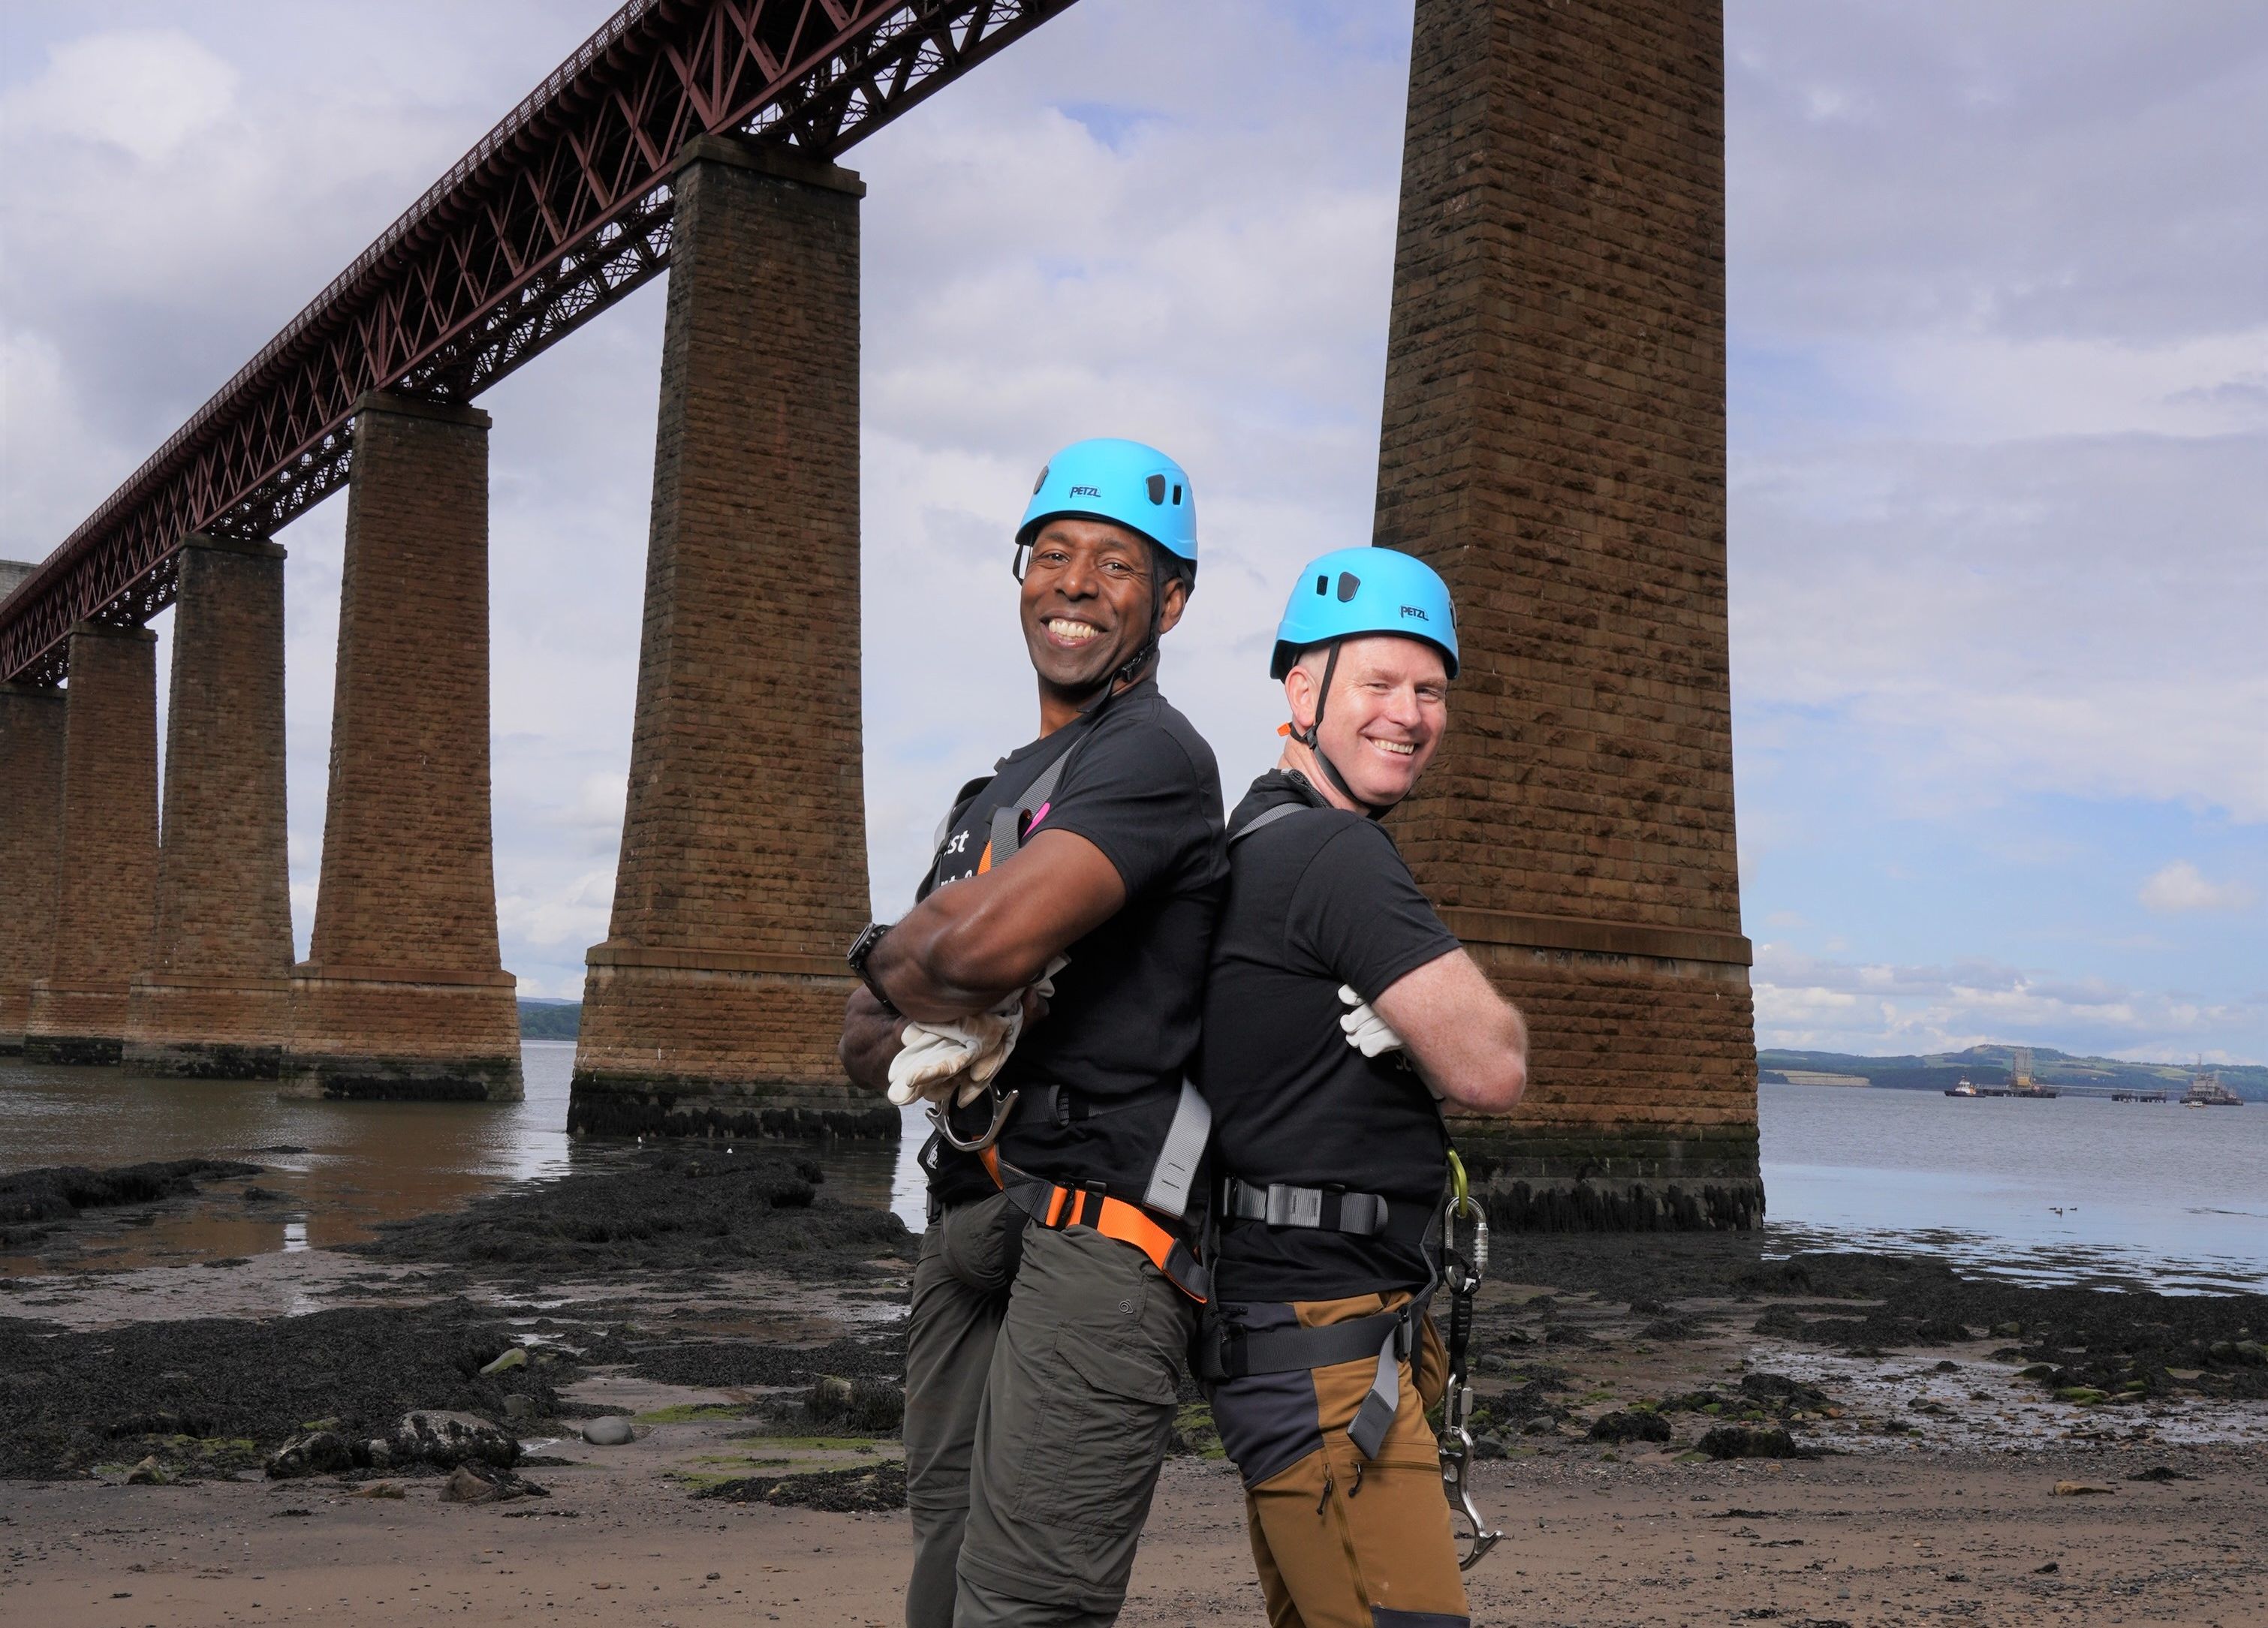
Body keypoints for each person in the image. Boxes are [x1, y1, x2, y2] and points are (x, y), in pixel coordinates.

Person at [838, 438, 1226, 1628]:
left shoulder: (1154, 756)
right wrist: (920, 974)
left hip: (1097, 1217)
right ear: (1019, 576)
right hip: (962, 1214)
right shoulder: (985, 797)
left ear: (1169, 600)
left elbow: (964, 956)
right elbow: (861, 1045)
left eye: (1115, 564)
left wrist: (904, 955)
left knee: (1028, 1603)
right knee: (943, 1564)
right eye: (1051, 553)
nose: (1073, 582)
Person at [1194, 545, 1529, 1628]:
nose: (1410, 712)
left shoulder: (1241, 838)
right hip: (1325, 1349)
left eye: (1429, 688)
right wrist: (1435, 1020)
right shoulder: (1337, 857)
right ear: (1303, 690)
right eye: (1378, 683)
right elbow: (1493, 1066)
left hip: (1290, 1333)